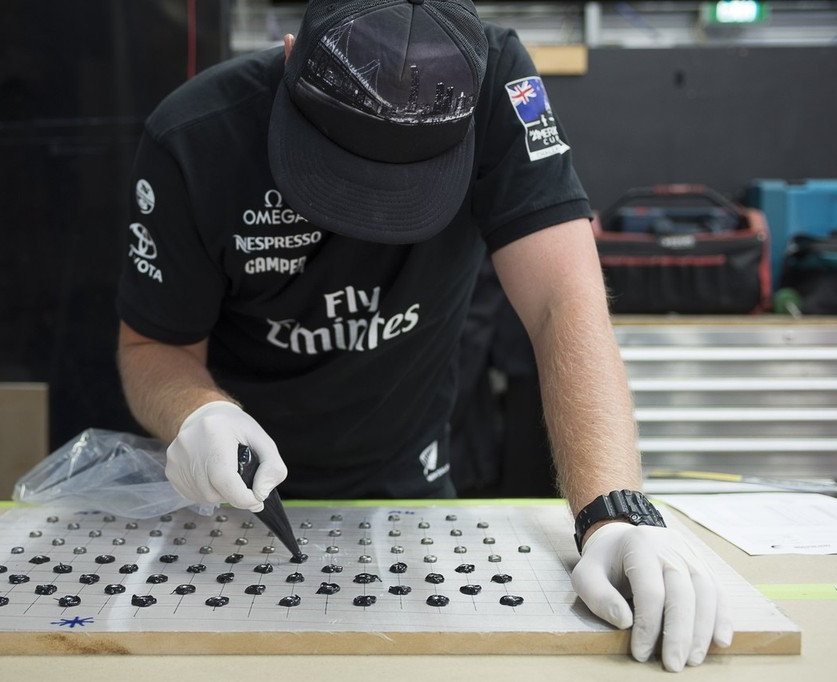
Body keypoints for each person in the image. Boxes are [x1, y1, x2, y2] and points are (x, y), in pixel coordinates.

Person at [116, 0, 731, 671]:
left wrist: (613, 510)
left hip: (411, 485)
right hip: (229, 500)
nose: (368, 213)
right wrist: (196, 414)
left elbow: (563, 303)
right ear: (292, 57)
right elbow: (153, 348)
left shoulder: (497, 87)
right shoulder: (195, 137)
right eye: (341, 166)